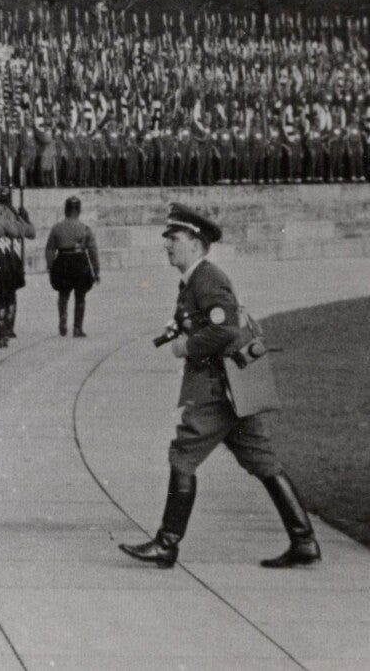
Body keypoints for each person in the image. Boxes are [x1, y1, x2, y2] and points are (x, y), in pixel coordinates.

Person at [119, 205, 321, 571]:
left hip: (217, 389)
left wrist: (186, 346)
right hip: (233, 389)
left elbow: (225, 328)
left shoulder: (207, 278)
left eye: (174, 239)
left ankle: (166, 544)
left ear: (196, 244)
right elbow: (211, 319)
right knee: (261, 459)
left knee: (183, 454)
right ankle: (304, 541)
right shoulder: (195, 279)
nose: (167, 246)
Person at [45, 195, 100, 337]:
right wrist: (96, 271)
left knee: (63, 294)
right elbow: (93, 251)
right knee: (80, 296)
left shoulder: (57, 228)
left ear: (66, 210)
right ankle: (77, 328)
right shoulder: (85, 229)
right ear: (78, 210)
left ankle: (63, 320)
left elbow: (50, 248)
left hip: (62, 260)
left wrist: (50, 266)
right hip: (79, 261)